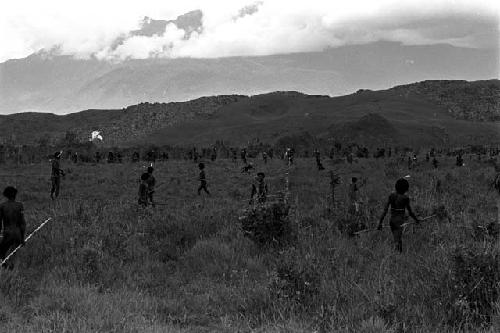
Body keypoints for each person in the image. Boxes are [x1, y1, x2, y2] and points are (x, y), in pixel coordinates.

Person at [378, 178, 420, 252]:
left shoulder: (391, 196)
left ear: (396, 187)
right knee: (397, 242)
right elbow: (410, 212)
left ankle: (397, 257)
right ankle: (396, 257)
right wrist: (416, 220)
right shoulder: (405, 198)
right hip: (399, 222)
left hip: (392, 221)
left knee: (397, 240)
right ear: (406, 189)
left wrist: (380, 223)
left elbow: (385, 211)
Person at [0, 186, 26, 269]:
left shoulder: (2, 206)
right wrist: (22, 238)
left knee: (2, 252)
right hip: (17, 234)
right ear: (15, 195)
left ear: (6, 195)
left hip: (7, 233)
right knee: (13, 252)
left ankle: (6, 267)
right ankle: (9, 267)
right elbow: (22, 223)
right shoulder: (20, 206)